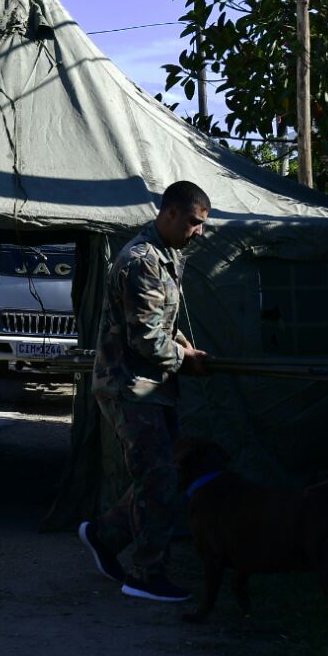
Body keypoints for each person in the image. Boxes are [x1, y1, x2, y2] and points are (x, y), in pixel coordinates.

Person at [77, 181, 213, 602]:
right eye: (194, 222)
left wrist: (183, 344)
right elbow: (146, 339)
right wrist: (183, 359)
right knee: (157, 475)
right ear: (169, 212)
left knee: (162, 473)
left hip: (152, 385)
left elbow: (159, 323)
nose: (199, 232)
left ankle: (105, 535)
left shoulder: (166, 256)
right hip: (130, 386)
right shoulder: (142, 261)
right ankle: (146, 575)